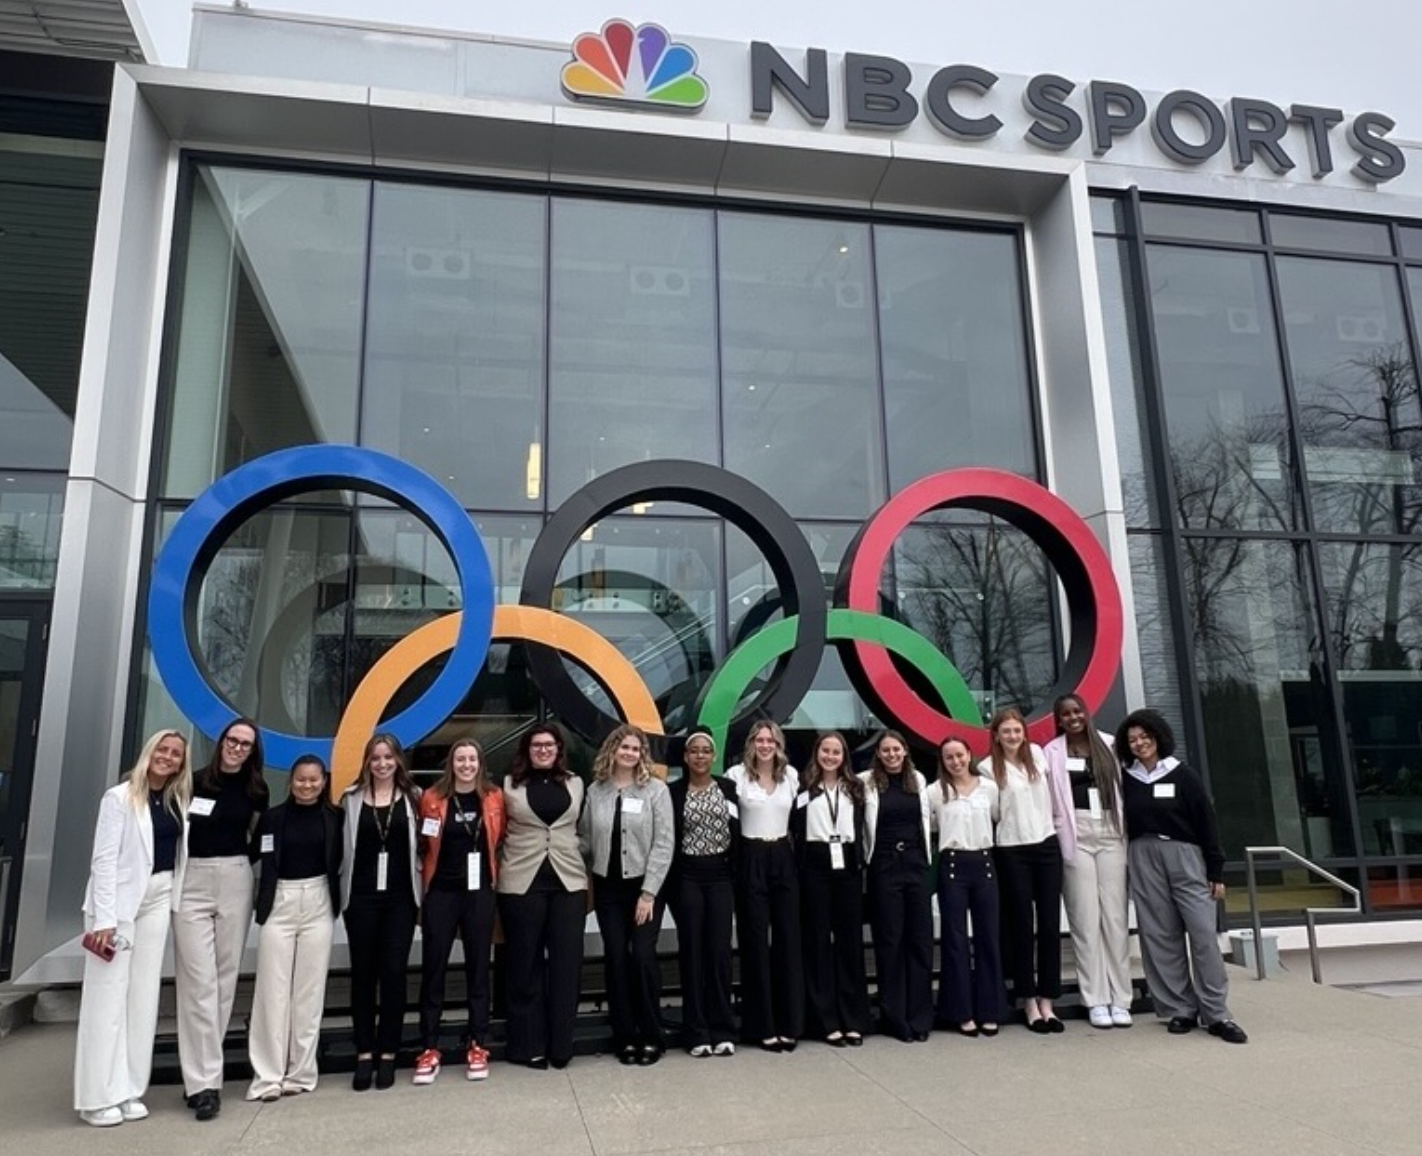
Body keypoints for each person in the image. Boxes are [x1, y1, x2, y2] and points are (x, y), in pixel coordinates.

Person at [74, 729, 191, 1127]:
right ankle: (96, 1097)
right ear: (150, 752)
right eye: (163, 749)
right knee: (107, 1001)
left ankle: (128, 1089)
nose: (169, 757)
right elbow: (103, 860)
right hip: (118, 908)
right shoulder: (118, 798)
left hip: (158, 899)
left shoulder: (177, 801)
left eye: (176, 754)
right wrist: (105, 919)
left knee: (143, 999)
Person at [1116, 709, 1247, 1044]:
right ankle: (1179, 1008)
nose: (1139, 743)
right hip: (1143, 855)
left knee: (1203, 934)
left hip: (1186, 856)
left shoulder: (1182, 775)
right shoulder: (1126, 779)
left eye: (1144, 737)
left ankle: (1217, 1012)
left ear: (1158, 737)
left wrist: (1215, 868)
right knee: (1159, 935)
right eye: (1132, 740)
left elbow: (1206, 820)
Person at [173, 717, 269, 1120]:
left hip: (234, 877)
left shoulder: (256, 790)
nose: (237, 748)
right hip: (192, 878)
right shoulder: (192, 782)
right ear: (221, 741)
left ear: (253, 751)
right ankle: (202, 1083)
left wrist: (242, 868)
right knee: (197, 982)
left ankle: (206, 1078)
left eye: (246, 744)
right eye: (233, 740)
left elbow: (257, 838)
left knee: (225, 980)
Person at [246, 753, 343, 1100]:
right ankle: (268, 1076)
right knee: (272, 991)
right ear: (291, 781)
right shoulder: (272, 819)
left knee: (309, 992)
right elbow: (250, 854)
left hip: (319, 901)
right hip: (280, 903)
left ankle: (301, 1073)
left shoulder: (336, 817)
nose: (307, 785)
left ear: (323, 781)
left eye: (314, 779)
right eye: (301, 779)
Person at [579, 724, 675, 1065]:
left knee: (642, 955)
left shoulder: (655, 791)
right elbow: (586, 840)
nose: (630, 754)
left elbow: (664, 843)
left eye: (636, 749)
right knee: (616, 957)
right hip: (609, 888)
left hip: (644, 886)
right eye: (625, 748)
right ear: (613, 750)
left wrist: (648, 893)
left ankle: (651, 1034)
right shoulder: (596, 791)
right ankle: (626, 1036)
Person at [412, 737, 505, 1085]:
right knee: (433, 968)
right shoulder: (432, 798)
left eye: (472, 759)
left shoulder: (494, 797)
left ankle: (478, 1042)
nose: (466, 765)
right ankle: (429, 1046)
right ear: (451, 764)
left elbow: (501, 838)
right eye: (460, 759)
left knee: (479, 968)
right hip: (442, 892)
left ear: (480, 763)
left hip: (479, 892)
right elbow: (424, 841)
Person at [497, 724, 588, 1070]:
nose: (543, 750)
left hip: (568, 883)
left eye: (549, 745)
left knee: (566, 966)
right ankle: (528, 1046)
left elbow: (585, 829)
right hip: (522, 883)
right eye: (537, 745)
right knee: (524, 967)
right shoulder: (507, 785)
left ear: (558, 749)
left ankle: (561, 1046)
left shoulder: (576, 783)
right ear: (527, 749)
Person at [1044, 694, 1132, 1029]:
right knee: (1084, 920)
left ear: (1087, 711)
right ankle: (1095, 999)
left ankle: (1120, 998)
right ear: (1059, 719)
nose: (1072, 717)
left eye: (1077, 711)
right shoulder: (1052, 752)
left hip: (1110, 831)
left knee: (1114, 916)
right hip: (1076, 833)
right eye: (1065, 714)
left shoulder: (1110, 744)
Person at [339, 733, 422, 1090]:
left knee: (393, 973)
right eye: (376, 758)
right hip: (361, 900)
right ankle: (363, 1051)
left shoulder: (415, 799)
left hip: (401, 900)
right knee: (363, 975)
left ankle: (388, 1051)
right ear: (367, 762)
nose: (383, 764)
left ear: (398, 760)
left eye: (388, 757)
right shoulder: (350, 799)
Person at [984, 707, 1064, 1032]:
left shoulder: (1037, 755)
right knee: (1020, 926)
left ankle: (1048, 1000)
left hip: (1046, 844)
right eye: (1007, 732)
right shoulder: (988, 768)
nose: (1013, 736)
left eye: (1017, 730)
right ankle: (1028, 1000)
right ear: (997, 736)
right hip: (1012, 850)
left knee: (1048, 924)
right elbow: (991, 812)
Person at [726, 719, 803, 1051]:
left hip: (783, 856)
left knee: (787, 939)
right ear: (751, 744)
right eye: (759, 740)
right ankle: (762, 1025)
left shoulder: (792, 777)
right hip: (751, 855)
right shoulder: (735, 777)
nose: (765, 745)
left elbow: (798, 822)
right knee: (755, 941)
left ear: (779, 744)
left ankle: (790, 1023)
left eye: (770, 740)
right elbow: (730, 824)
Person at [793, 731, 869, 1047]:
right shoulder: (803, 789)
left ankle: (852, 1019)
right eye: (825, 750)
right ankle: (825, 1020)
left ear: (844, 757)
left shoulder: (855, 789)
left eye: (836, 752)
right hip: (815, 865)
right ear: (817, 753)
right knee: (818, 942)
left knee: (850, 943)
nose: (830, 756)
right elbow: (794, 829)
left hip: (847, 866)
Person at [667, 728, 739, 1057]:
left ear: (713, 757)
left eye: (705, 751)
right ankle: (696, 1031)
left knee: (720, 952)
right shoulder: (673, 792)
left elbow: (738, 832)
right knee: (693, 951)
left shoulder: (729, 789)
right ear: (685, 757)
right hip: (687, 877)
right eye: (693, 751)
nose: (699, 756)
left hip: (721, 875)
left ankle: (723, 1028)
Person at [927, 735, 1005, 1037]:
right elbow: (932, 827)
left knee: (988, 938)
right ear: (942, 761)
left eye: (960, 755)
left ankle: (990, 1009)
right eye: (949, 757)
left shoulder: (989, 787)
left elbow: (997, 817)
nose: (956, 762)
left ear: (969, 754)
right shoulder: (935, 792)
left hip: (984, 863)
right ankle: (960, 1011)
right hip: (953, 865)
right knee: (955, 939)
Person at [860, 730, 934, 1041]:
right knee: (890, 941)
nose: (891, 755)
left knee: (919, 940)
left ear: (905, 751)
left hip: (915, 863)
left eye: (896, 749)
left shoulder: (917, 780)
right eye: (885, 750)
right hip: (884, 865)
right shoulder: (865, 782)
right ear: (878, 753)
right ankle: (895, 1017)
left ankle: (919, 1017)